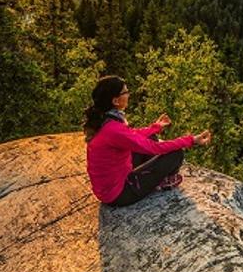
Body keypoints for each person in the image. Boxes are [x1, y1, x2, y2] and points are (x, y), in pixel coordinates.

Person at [83, 75, 212, 207]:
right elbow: (154, 148)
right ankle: (164, 181)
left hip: (109, 187)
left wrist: (155, 127)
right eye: (125, 92)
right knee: (176, 154)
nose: (128, 95)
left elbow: (132, 135)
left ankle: (155, 179)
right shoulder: (113, 129)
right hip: (119, 194)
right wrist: (191, 140)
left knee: (150, 137)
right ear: (115, 101)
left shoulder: (104, 120)